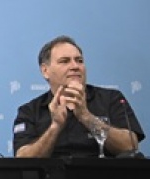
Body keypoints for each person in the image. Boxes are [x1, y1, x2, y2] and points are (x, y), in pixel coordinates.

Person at [12, 35, 144, 158]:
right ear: (45, 71)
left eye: (79, 61)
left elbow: (130, 146)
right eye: (65, 61)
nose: (75, 66)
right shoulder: (30, 111)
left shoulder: (111, 98)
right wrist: (55, 126)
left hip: (104, 174)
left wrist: (86, 117)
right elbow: (23, 158)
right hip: (53, 175)